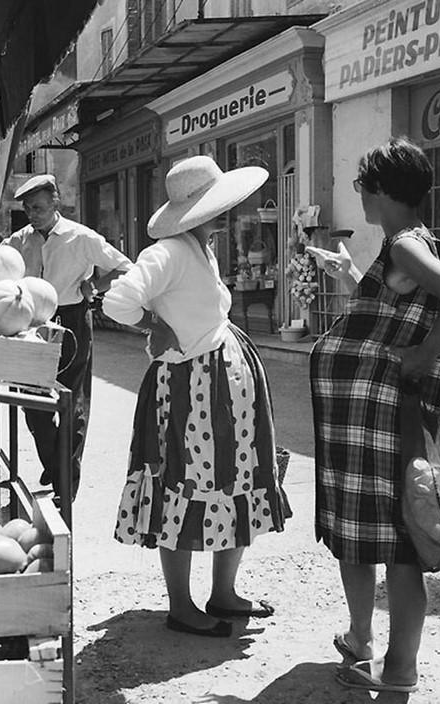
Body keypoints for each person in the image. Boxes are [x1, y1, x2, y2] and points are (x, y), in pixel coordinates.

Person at [308, 137, 440, 692]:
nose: (360, 194)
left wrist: (422, 355)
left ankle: (393, 662)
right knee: (372, 535)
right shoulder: (404, 247)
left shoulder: (406, 246)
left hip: (380, 419)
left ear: (381, 190)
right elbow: (398, 308)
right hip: (366, 419)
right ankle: (367, 648)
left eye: (362, 185)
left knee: (393, 540)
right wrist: (352, 276)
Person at [102, 155, 290, 638]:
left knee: (237, 478)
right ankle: (181, 605)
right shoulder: (166, 253)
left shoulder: (198, 247)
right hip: (189, 390)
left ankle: (223, 593)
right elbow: (118, 301)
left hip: (222, 384)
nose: (226, 218)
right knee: (184, 485)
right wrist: (154, 326)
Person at [2, 174, 132, 500]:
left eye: (40, 208)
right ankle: (56, 461)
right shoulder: (19, 241)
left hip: (72, 319)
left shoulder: (82, 237)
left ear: (56, 202)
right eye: (29, 209)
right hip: (31, 322)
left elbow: (124, 267)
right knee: (32, 402)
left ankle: (65, 484)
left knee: (72, 402)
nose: (33, 215)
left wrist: (95, 287)